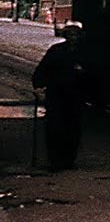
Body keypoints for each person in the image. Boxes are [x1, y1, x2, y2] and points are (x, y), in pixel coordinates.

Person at [31, 21, 87, 170]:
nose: (73, 38)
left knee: (72, 128)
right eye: (70, 35)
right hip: (57, 94)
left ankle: (67, 160)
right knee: (56, 127)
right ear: (66, 36)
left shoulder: (84, 53)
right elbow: (42, 70)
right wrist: (38, 87)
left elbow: (95, 74)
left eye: (75, 35)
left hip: (74, 95)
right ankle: (56, 160)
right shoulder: (56, 51)